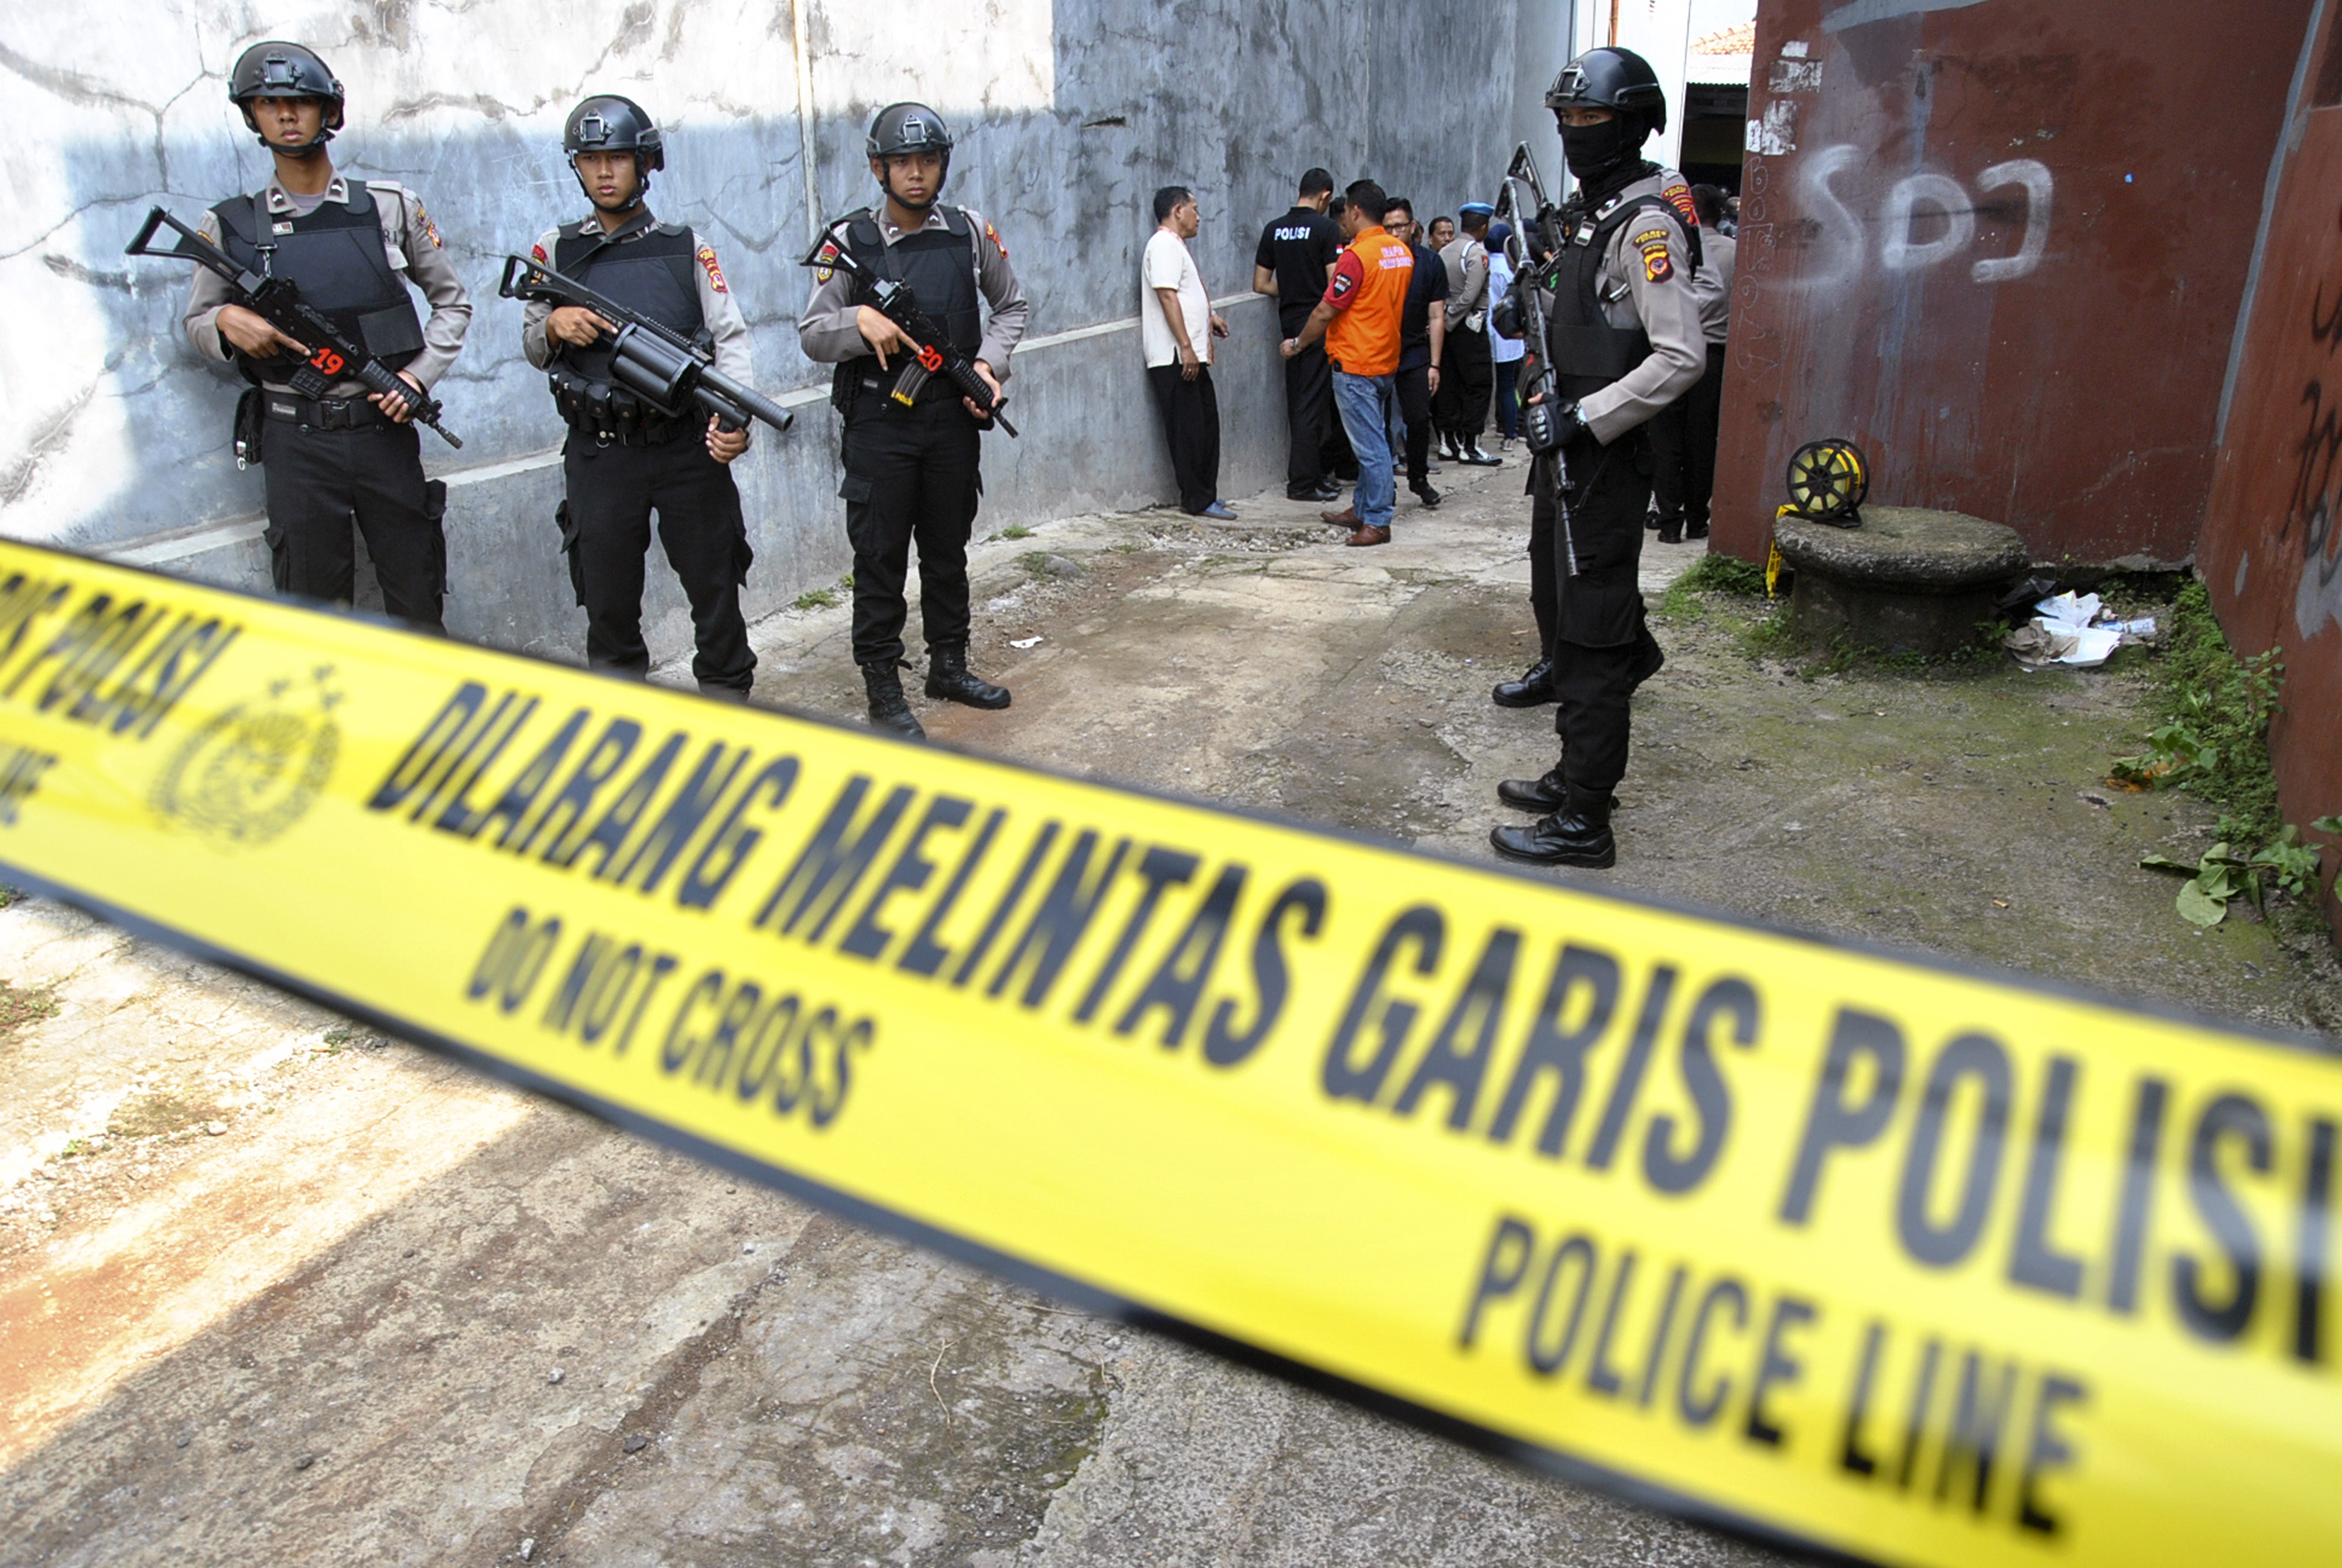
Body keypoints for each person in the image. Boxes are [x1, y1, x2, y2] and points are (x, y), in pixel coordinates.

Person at [1488, 46, 1704, 869]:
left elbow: (1680, 357)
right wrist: (1526, 299)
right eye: (1566, 119)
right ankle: (1575, 765)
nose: (1575, 133)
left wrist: (1584, 415)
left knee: (1593, 634)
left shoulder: (1646, 224)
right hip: (1563, 452)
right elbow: (1576, 317)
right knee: (1559, 610)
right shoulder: (1588, 213)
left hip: (1604, 458)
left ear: (1633, 124)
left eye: (1591, 118)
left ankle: (1587, 817)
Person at [182, 41, 470, 630]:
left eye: (300, 102)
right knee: (314, 618)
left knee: (418, 596)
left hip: (383, 430)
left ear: (328, 112)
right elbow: (197, 320)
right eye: (268, 102)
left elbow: (452, 302)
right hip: (295, 439)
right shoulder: (231, 224)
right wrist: (224, 322)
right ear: (251, 116)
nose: (286, 115)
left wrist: (415, 376)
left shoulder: (389, 208)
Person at [799, 103, 1029, 741]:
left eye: (928, 161)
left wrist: (987, 365)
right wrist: (858, 323)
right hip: (880, 424)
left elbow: (1012, 306)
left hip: (950, 421)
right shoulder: (848, 242)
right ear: (880, 168)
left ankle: (948, 666)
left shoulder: (969, 231)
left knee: (947, 547)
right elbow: (813, 333)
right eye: (903, 163)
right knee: (879, 554)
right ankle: (883, 684)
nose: (917, 174)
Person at [522, 96, 758, 700]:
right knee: (608, 606)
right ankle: (626, 728)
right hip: (601, 457)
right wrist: (553, 326)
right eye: (591, 160)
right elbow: (530, 339)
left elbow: (729, 337)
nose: (604, 172)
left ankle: (729, 722)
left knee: (716, 596)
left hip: (686, 450)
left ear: (644, 163)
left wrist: (734, 421)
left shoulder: (687, 247)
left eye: (618, 159)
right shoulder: (554, 250)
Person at [1282, 180, 1412, 547]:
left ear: (1355, 211)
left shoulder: (1357, 257)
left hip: (1356, 363)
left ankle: (1378, 521)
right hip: (1386, 359)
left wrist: (1297, 343)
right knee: (1374, 443)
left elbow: (1326, 309)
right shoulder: (1400, 252)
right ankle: (1362, 509)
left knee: (1371, 450)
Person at [1254, 169, 1346, 502]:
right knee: (1313, 406)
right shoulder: (1327, 228)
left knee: (1301, 402)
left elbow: (1261, 284)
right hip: (1318, 326)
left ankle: (1312, 477)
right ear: (1325, 196)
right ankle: (1304, 483)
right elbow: (1335, 286)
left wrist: (1292, 289)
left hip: (1290, 322)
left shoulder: (1273, 229)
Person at [1144, 187, 1233, 519]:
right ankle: (1195, 498)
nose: (1198, 217)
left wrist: (1209, 318)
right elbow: (1167, 297)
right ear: (1178, 210)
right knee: (1190, 431)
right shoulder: (1163, 245)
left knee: (1206, 424)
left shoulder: (1175, 246)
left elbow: (1182, 295)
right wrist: (1185, 347)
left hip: (1189, 353)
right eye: (1194, 209)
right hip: (1175, 356)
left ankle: (1206, 494)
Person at [1381, 197, 1446, 510]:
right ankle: (1382, 485)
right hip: (1378, 350)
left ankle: (1418, 478)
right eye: (1389, 227)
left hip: (1414, 353)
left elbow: (1437, 317)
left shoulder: (1430, 264)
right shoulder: (1376, 260)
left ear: (1413, 226)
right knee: (1377, 423)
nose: (1395, 233)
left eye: (1400, 226)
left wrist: (1435, 364)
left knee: (1419, 418)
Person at [1682, 184, 1736, 540]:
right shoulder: (1736, 251)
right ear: (1720, 213)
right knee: (1702, 440)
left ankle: (1665, 512)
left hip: (1673, 349)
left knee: (1668, 437)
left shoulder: (1676, 246)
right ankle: (1697, 515)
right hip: (1714, 354)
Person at [1436, 203, 1499, 466]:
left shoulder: (1445, 251)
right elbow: (1470, 296)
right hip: (1467, 327)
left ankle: (1448, 442)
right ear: (1483, 227)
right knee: (1478, 385)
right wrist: (1451, 320)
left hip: (1446, 326)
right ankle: (1471, 445)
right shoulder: (1476, 253)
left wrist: (1444, 321)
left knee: (1449, 383)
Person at [1486, 220, 1525, 450]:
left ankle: (1503, 426)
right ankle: (1510, 431)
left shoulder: (1485, 262)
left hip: (1488, 331)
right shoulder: (1509, 268)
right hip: (1506, 334)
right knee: (1508, 385)